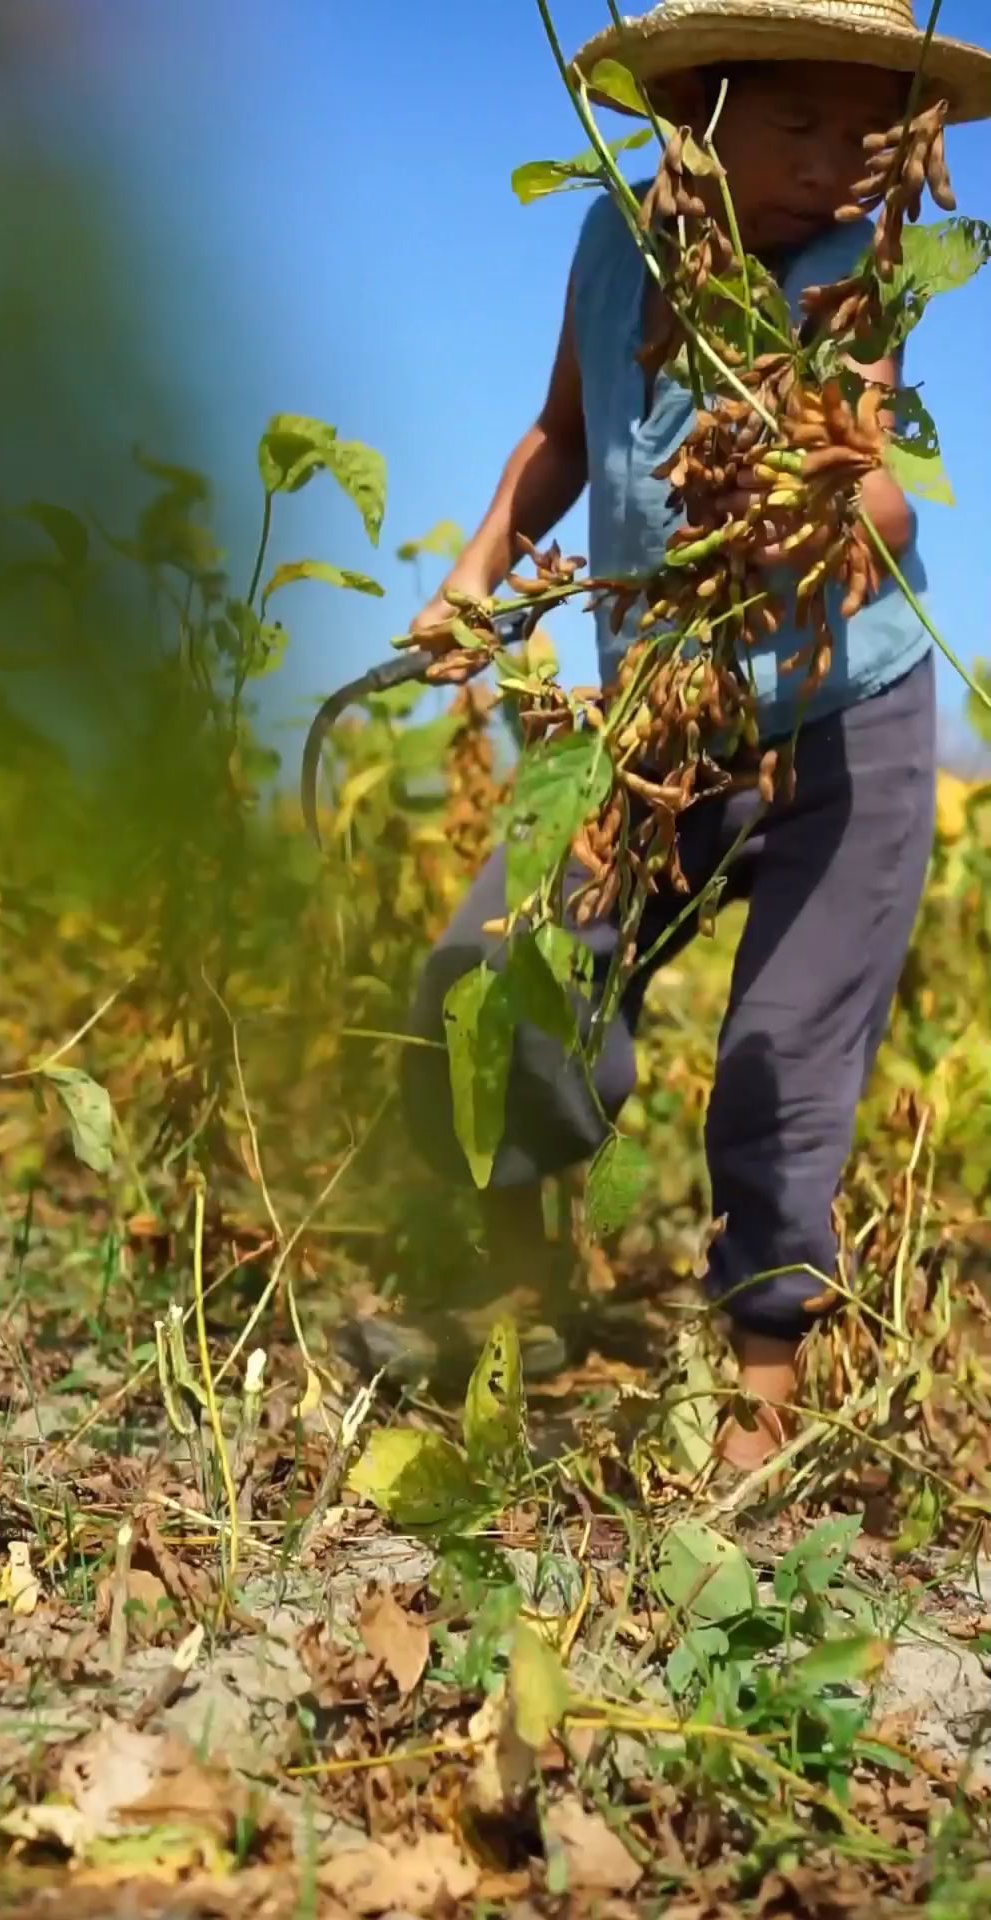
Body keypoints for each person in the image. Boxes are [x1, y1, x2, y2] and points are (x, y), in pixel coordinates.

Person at [387, 0, 991, 1471]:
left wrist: (824, 479)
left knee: (783, 1056)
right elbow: (559, 429)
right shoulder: (613, 245)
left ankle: (757, 1405)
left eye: (865, 133)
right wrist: (478, 574)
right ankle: (516, 1288)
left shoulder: (863, 271)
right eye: (795, 123)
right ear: (698, 118)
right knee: (495, 968)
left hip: (850, 726)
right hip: (657, 714)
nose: (832, 163)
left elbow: (889, 478)